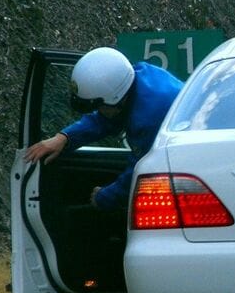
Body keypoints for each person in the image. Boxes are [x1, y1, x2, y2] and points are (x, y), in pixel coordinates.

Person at [23, 46, 183, 210]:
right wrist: (64, 138)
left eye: (99, 106)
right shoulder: (133, 80)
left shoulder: (149, 117)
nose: (97, 111)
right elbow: (105, 119)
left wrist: (105, 197)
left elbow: (141, 171)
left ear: (116, 100)